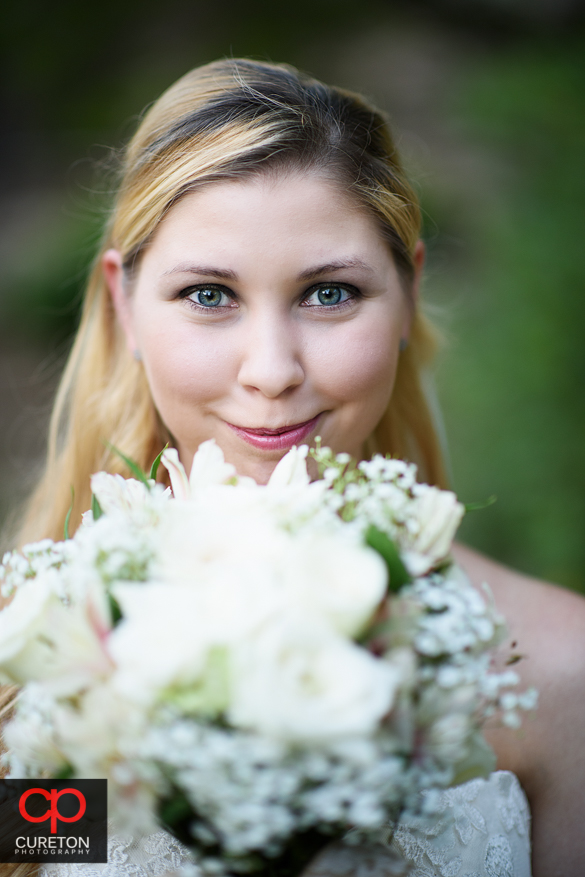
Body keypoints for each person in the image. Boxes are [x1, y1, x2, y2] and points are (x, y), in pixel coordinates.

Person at [8, 58, 585, 877]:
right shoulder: (38, 660)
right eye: (209, 294)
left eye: (328, 293)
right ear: (122, 305)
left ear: (407, 293)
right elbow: (35, 856)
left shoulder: (561, 669)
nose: (271, 370)